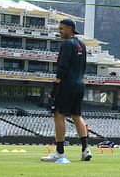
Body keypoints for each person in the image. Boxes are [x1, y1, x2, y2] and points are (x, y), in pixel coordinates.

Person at [40, 18, 93, 162]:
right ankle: (85, 150)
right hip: (79, 85)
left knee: (58, 114)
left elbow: (63, 66)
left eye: (62, 28)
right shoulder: (81, 44)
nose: (60, 31)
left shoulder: (67, 44)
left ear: (70, 28)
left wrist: (56, 85)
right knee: (77, 115)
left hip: (67, 85)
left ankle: (60, 152)